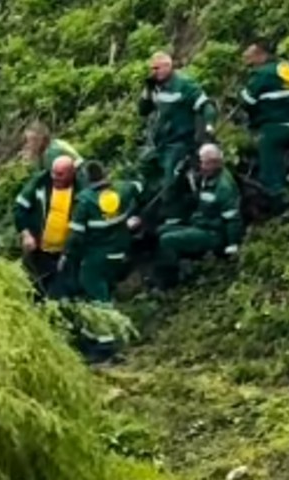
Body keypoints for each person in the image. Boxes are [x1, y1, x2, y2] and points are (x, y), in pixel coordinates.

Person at [138, 51, 218, 227]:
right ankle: (149, 208)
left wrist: (209, 127)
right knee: (143, 167)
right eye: (152, 69)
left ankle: (174, 217)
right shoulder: (155, 87)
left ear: (168, 66)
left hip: (179, 142)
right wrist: (147, 90)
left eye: (157, 68)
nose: (154, 72)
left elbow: (207, 106)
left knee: (171, 179)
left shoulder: (184, 85)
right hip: (160, 142)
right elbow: (143, 110)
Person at [155, 144, 243, 289]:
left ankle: (169, 282)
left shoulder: (224, 187)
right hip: (199, 223)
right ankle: (181, 263)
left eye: (204, 163)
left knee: (167, 240)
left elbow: (233, 218)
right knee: (161, 230)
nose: (200, 166)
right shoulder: (206, 179)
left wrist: (233, 245)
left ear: (214, 163)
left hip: (213, 233)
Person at [240, 41, 289, 214]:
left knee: (268, 155)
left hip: (275, 126)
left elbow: (247, 101)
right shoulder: (287, 67)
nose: (247, 58)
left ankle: (277, 197)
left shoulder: (261, 75)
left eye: (250, 54)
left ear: (261, 55)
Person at [62, 161, 142, 303]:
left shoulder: (85, 202)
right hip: (123, 247)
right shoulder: (122, 188)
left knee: (89, 278)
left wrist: (66, 256)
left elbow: (75, 238)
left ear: (86, 179)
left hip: (101, 254)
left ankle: (108, 312)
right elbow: (139, 186)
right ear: (105, 173)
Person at [14, 155, 80, 299]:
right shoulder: (40, 183)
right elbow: (20, 208)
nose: (55, 177)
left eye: (60, 174)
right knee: (32, 287)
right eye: (53, 172)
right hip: (38, 249)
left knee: (59, 293)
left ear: (71, 173)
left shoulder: (81, 189)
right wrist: (26, 234)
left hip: (65, 255)